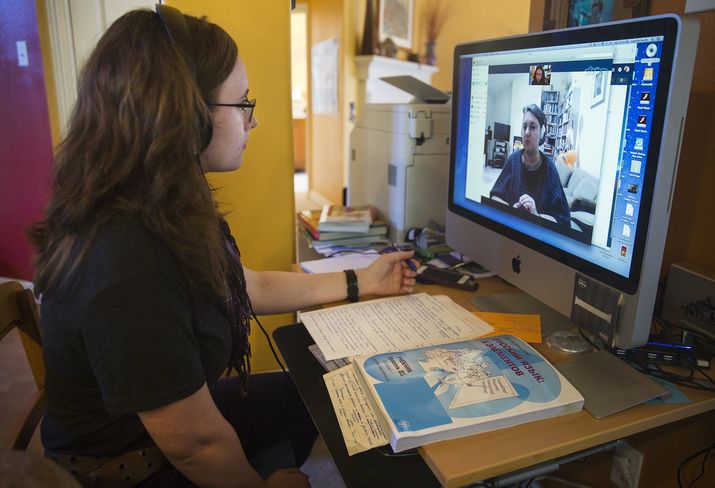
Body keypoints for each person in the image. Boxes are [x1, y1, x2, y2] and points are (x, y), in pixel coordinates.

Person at [30, 6, 417, 488]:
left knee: (318, 390)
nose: (253, 122)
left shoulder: (161, 200)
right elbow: (197, 444)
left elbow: (241, 285)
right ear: (184, 116)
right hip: (129, 466)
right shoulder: (125, 260)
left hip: (162, 432)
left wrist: (361, 280)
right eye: (243, 103)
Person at [489, 104, 570, 228]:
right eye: (524, 126)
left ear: (542, 133)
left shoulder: (549, 169)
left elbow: (564, 220)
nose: (527, 132)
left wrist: (536, 216)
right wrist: (512, 211)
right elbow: (494, 196)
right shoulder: (513, 160)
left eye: (532, 127)